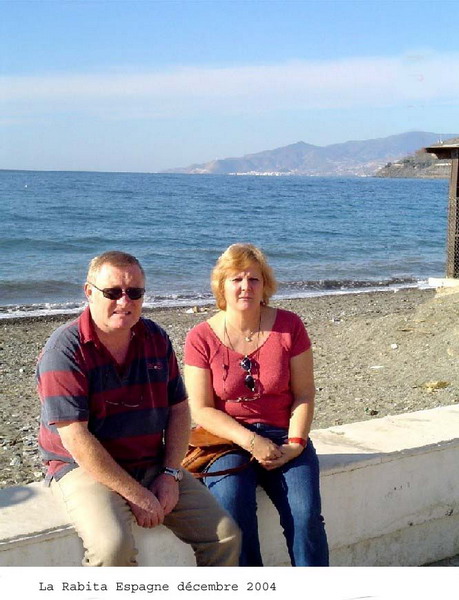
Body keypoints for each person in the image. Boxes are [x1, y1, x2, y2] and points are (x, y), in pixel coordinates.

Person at [37, 250, 240, 567]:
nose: (124, 301)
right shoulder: (65, 350)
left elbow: (178, 408)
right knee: (112, 549)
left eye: (134, 292)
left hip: (151, 461)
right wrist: (137, 494)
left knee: (225, 536)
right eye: (112, 292)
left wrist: (170, 473)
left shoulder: (155, 338)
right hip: (83, 467)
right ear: (89, 292)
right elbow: (75, 437)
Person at [184, 243, 329, 566]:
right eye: (236, 279)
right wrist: (251, 441)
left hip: (284, 435)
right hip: (226, 440)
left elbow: (304, 393)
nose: (245, 287)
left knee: (305, 516)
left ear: (265, 285)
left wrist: (295, 444)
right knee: (233, 511)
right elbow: (201, 408)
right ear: (221, 286)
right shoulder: (200, 337)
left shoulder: (289, 326)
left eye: (253, 279)